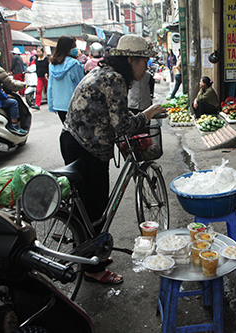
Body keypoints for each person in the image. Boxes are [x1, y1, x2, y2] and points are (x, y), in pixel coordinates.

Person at [60, 34, 165, 285]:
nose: (146, 67)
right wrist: (148, 114)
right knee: (95, 207)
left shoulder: (105, 74)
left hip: (77, 140)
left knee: (89, 206)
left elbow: (112, 110)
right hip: (85, 146)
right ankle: (92, 269)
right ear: (130, 59)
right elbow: (123, 126)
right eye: (143, 61)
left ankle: (92, 255)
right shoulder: (115, 78)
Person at [48, 35, 84, 124]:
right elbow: (81, 85)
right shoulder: (74, 64)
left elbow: (50, 86)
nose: (76, 49)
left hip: (59, 105)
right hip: (73, 105)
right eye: (74, 46)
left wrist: (52, 105)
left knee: (66, 128)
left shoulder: (52, 65)